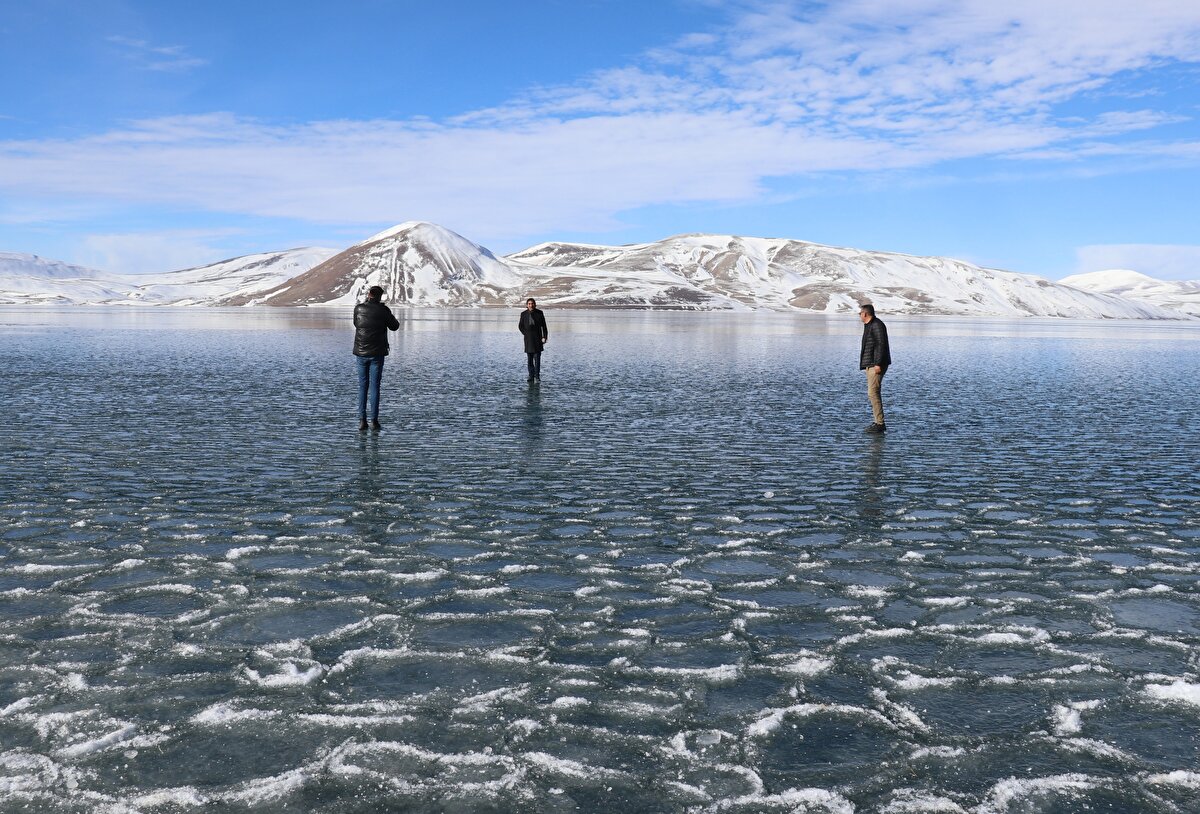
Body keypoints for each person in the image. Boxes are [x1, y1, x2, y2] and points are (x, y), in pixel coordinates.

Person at [353, 285, 400, 432]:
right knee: (374, 387)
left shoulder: (358, 309)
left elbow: (356, 324)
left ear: (369, 295)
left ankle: (362, 421)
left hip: (361, 353)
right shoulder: (383, 310)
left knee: (363, 386)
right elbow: (395, 326)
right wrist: (386, 313)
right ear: (380, 296)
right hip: (377, 354)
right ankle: (374, 421)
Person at [858, 303, 891, 434]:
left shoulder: (877, 325)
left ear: (865, 314)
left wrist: (878, 363)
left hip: (876, 365)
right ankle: (877, 421)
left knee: (873, 392)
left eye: (860, 313)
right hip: (870, 364)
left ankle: (880, 423)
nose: (859, 315)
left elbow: (880, 345)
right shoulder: (869, 325)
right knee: (872, 393)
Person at [518, 297, 548, 383]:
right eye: (529, 304)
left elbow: (544, 327)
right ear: (527, 305)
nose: (531, 305)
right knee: (529, 359)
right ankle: (531, 376)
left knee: (537, 359)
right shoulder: (523, 314)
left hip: (538, 339)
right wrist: (525, 333)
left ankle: (537, 376)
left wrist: (544, 337)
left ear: (535, 304)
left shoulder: (539, 313)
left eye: (532, 303)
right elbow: (520, 326)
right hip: (528, 340)